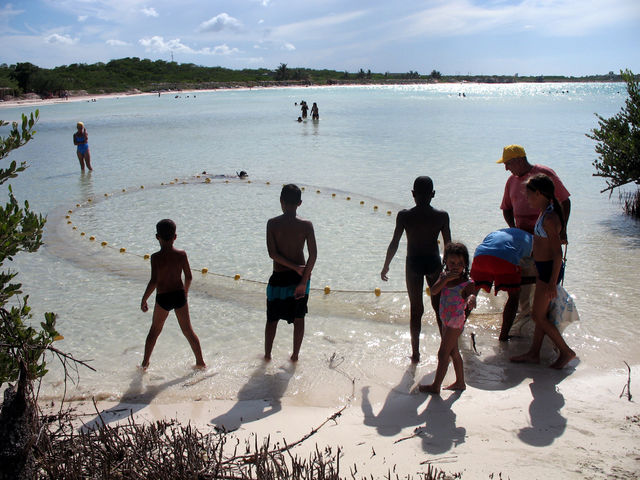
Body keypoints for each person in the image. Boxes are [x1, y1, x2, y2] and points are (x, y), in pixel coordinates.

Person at [497, 144, 570, 327]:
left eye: (508, 163)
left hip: (546, 239)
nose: (506, 168)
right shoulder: (511, 181)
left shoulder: (544, 174)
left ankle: (544, 323)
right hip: (523, 241)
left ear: (520, 160)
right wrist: (513, 229)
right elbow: (506, 208)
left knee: (546, 284)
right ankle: (526, 322)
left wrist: (562, 230)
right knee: (522, 287)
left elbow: (565, 201)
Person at [381, 176, 451, 362]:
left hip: (413, 264)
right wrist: (452, 270)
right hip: (435, 263)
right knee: (439, 308)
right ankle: (446, 349)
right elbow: (449, 245)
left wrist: (386, 265)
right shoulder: (442, 216)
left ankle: (416, 354)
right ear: (433, 194)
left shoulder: (404, 215)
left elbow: (394, 242)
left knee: (416, 310)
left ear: (413, 194)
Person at [510, 174, 576, 369]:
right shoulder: (545, 211)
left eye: (529, 195)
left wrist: (552, 283)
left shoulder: (549, 218)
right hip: (543, 269)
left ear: (539, 193)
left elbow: (557, 255)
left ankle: (565, 351)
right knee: (541, 314)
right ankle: (534, 353)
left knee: (537, 316)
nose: (526, 198)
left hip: (549, 271)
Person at [140, 219, 205, 370]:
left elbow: (154, 281)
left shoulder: (155, 257)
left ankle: (144, 364)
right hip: (179, 296)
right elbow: (188, 277)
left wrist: (144, 299)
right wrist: (185, 293)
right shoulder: (181, 255)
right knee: (188, 331)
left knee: (154, 332)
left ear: (157, 237)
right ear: (175, 236)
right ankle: (200, 362)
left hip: (163, 297)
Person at [265, 184, 317, 362]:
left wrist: (294, 268)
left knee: (272, 319)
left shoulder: (272, 223)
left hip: (279, 276)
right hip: (300, 277)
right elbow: (314, 255)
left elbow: (273, 254)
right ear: (300, 203)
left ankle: (267, 356)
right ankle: (295, 356)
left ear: (281, 201)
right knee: (299, 317)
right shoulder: (306, 225)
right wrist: (302, 279)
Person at [419, 242, 476, 394]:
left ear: (465, 264)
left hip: (455, 322)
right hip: (445, 319)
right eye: (452, 263)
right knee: (453, 352)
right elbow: (434, 291)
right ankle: (460, 382)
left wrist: (471, 299)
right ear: (445, 262)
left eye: (460, 263)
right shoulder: (444, 277)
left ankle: (435, 386)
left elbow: (472, 293)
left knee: (443, 353)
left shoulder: (467, 282)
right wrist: (444, 280)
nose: (456, 266)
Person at [470, 228, 533, 341]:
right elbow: (534, 266)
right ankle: (503, 336)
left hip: (480, 256)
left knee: (472, 292)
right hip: (506, 259)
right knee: (514, 296)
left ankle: (456, 328)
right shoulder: (534, 240)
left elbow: (492, 251)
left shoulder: (498, 232)